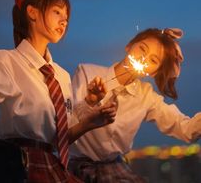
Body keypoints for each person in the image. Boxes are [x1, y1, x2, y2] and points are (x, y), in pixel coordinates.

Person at [0, 0, 116, 183]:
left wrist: (90, 122)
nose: (64, 20)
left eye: (66, 16)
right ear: (32, 13)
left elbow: (60, 140)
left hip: (52, 163)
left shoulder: (61, 76)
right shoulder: (6, 61)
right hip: (19, 166)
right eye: (57, 11)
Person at [69, 28, 201, 183]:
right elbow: (68, 124)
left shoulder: (146, 96)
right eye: (142, 49)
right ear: (129, 46)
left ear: (153, 73)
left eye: (153, 60)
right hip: (78, 169)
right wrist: (90, 102)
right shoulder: (87, 72)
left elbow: (185, 129)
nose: (143, 59)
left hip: (117, 170)